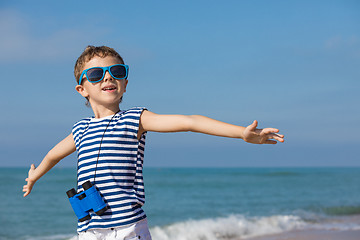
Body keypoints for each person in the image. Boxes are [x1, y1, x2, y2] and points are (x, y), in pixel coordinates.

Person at [23, 45, 284, 240]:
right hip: (90, 230)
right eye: (95, 74)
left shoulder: (135, 119)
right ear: (82, 89)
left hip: (128, 229)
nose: (107, 77)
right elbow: (53, 156)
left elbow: (189, 121)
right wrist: (35, 175)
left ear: (125, 83)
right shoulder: (80, 130)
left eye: (116, 71)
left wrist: (241, 133)